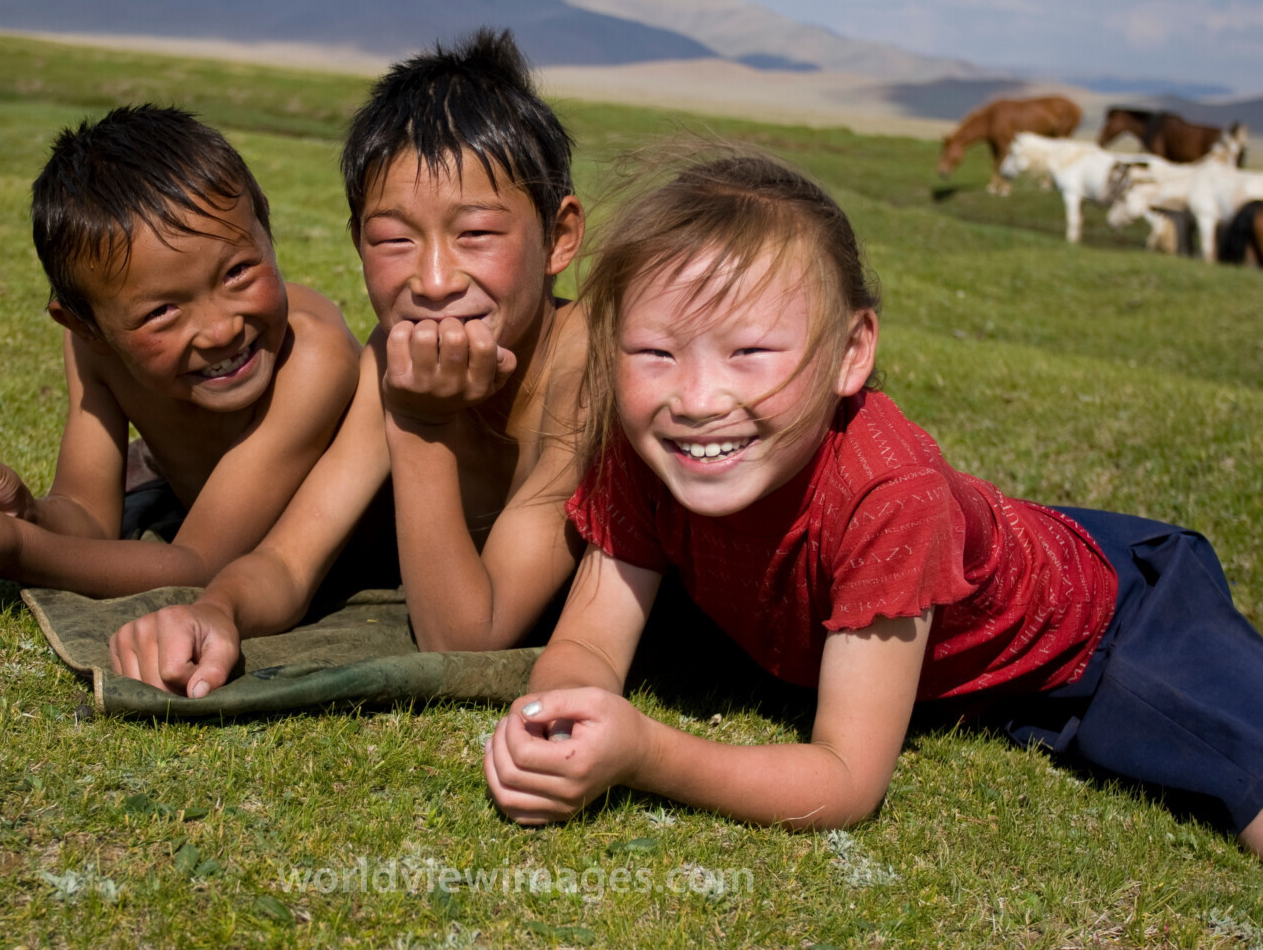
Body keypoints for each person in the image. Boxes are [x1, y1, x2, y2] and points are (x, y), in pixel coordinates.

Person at [483, 148, 1263, 858]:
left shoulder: (890, 496)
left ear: (852, 352)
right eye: (654, 352)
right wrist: (561, 717)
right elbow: (589, 644)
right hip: (973, 631)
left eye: (749, 352)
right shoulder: (643, 448)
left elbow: (846, 780)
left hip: (1114, 627)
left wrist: (643, 752)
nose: (694, 398)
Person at [107, 29, 589, 696]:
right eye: (394, 240)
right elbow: (288, 559)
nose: (436, 278)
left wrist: (421, 421)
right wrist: (216, 610)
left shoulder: (586, 368)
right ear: (358, 244)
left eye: (476, 234)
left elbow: (462, 640)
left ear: (559, 238)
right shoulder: (387, 358)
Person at [0, 105, 361, 606]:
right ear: (87, 326)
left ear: (268, 234)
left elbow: (201, 565)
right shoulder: (96, 351)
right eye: (162, 311)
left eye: (237, 273)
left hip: (363, 562)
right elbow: (90, 518)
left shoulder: (312, 357)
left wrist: (18, 550)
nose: (221, 330)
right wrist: (20, 512)